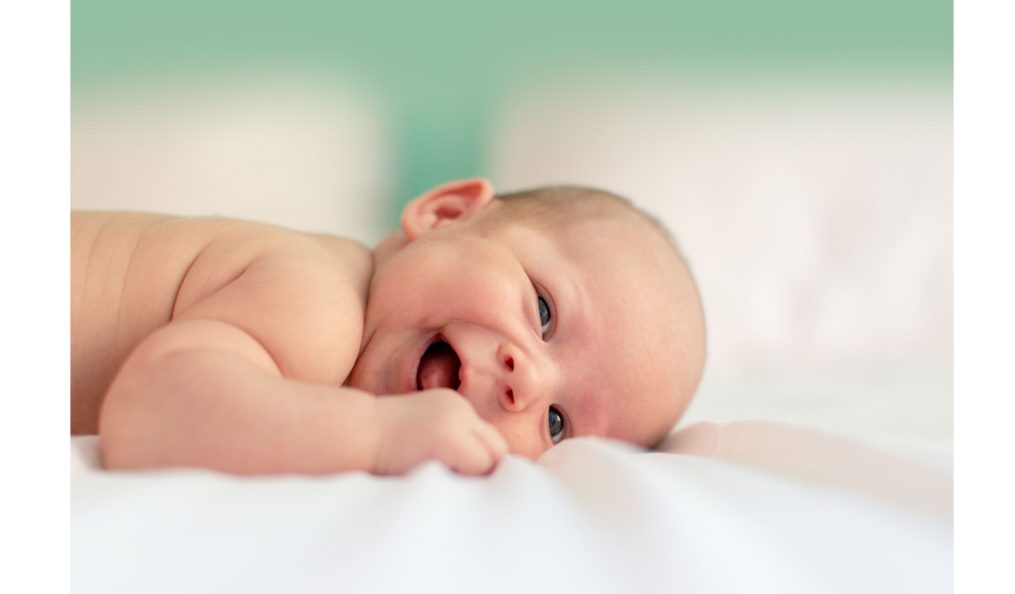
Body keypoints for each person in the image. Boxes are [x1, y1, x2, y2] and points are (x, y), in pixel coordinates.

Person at [71, 178, 705, 476]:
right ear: (445, 213)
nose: (527, 383)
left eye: (557, 424)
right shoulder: (320, 304)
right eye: (542, 311)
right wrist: (376, 436)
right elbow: (152, 414)